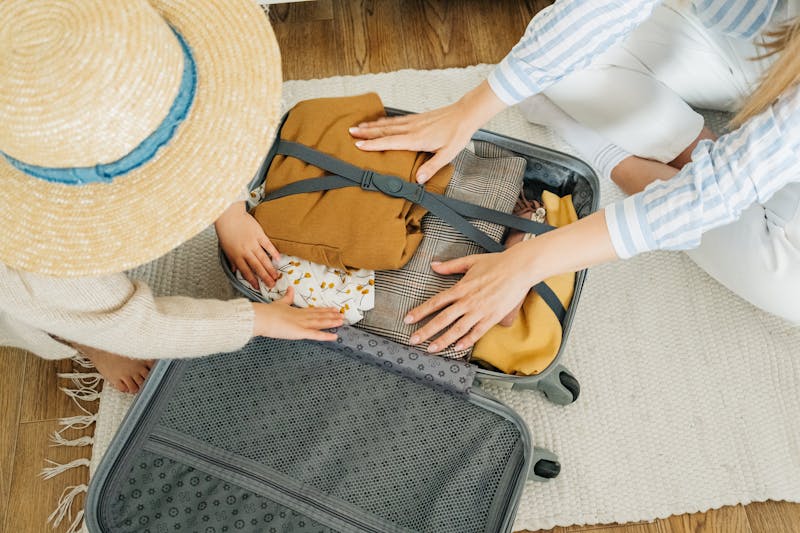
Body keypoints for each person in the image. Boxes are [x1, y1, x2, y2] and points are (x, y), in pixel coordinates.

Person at [349, 0, 800, 353]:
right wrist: (469, 109)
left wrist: (529, 260)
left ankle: (605, 150)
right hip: (752, 43)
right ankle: (705, 157)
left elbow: (713, 193)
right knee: (561, 62)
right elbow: (601, 9)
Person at [0, 0, 343, 394]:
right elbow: (136, 326)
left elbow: (209, 130)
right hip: (27, 287)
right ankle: (84, 340)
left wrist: (228, 209)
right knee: (74, 317)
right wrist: (259, 320)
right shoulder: (43, 259)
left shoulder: (75, 31)